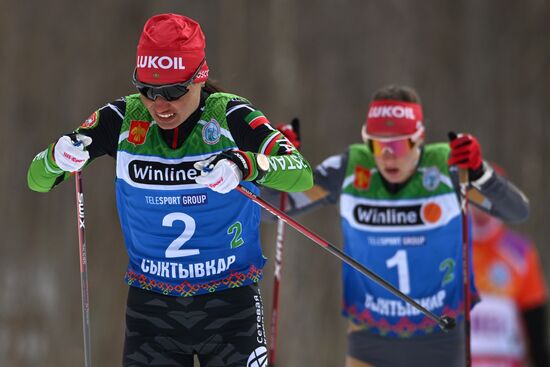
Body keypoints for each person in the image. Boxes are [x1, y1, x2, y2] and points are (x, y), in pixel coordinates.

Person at [27, 13, 312, 367]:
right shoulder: (122, 118)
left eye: (175, 91)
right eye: (147, 90)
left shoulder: (230, 116)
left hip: (230, 305)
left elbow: (300, 173)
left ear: (199, 79)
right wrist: (56, 157)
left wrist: (246, 165)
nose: (160, 105)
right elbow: (36, 179)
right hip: (153, 311)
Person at [273, 85, 529, 367]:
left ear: (419, 139)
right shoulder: (349, 169)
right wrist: (279, 165)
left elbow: (516, 211)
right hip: (370, 336)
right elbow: (272, 209)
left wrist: (481, 172)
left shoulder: (448, 167)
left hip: (440, 335)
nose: (387, 155)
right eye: (376, 144)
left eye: (397, 144)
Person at [471, 194, 548, 367]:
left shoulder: (519, 251)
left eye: (487, 199)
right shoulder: (450, 249)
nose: (482, 208)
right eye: (474, 199)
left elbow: (535, 324)